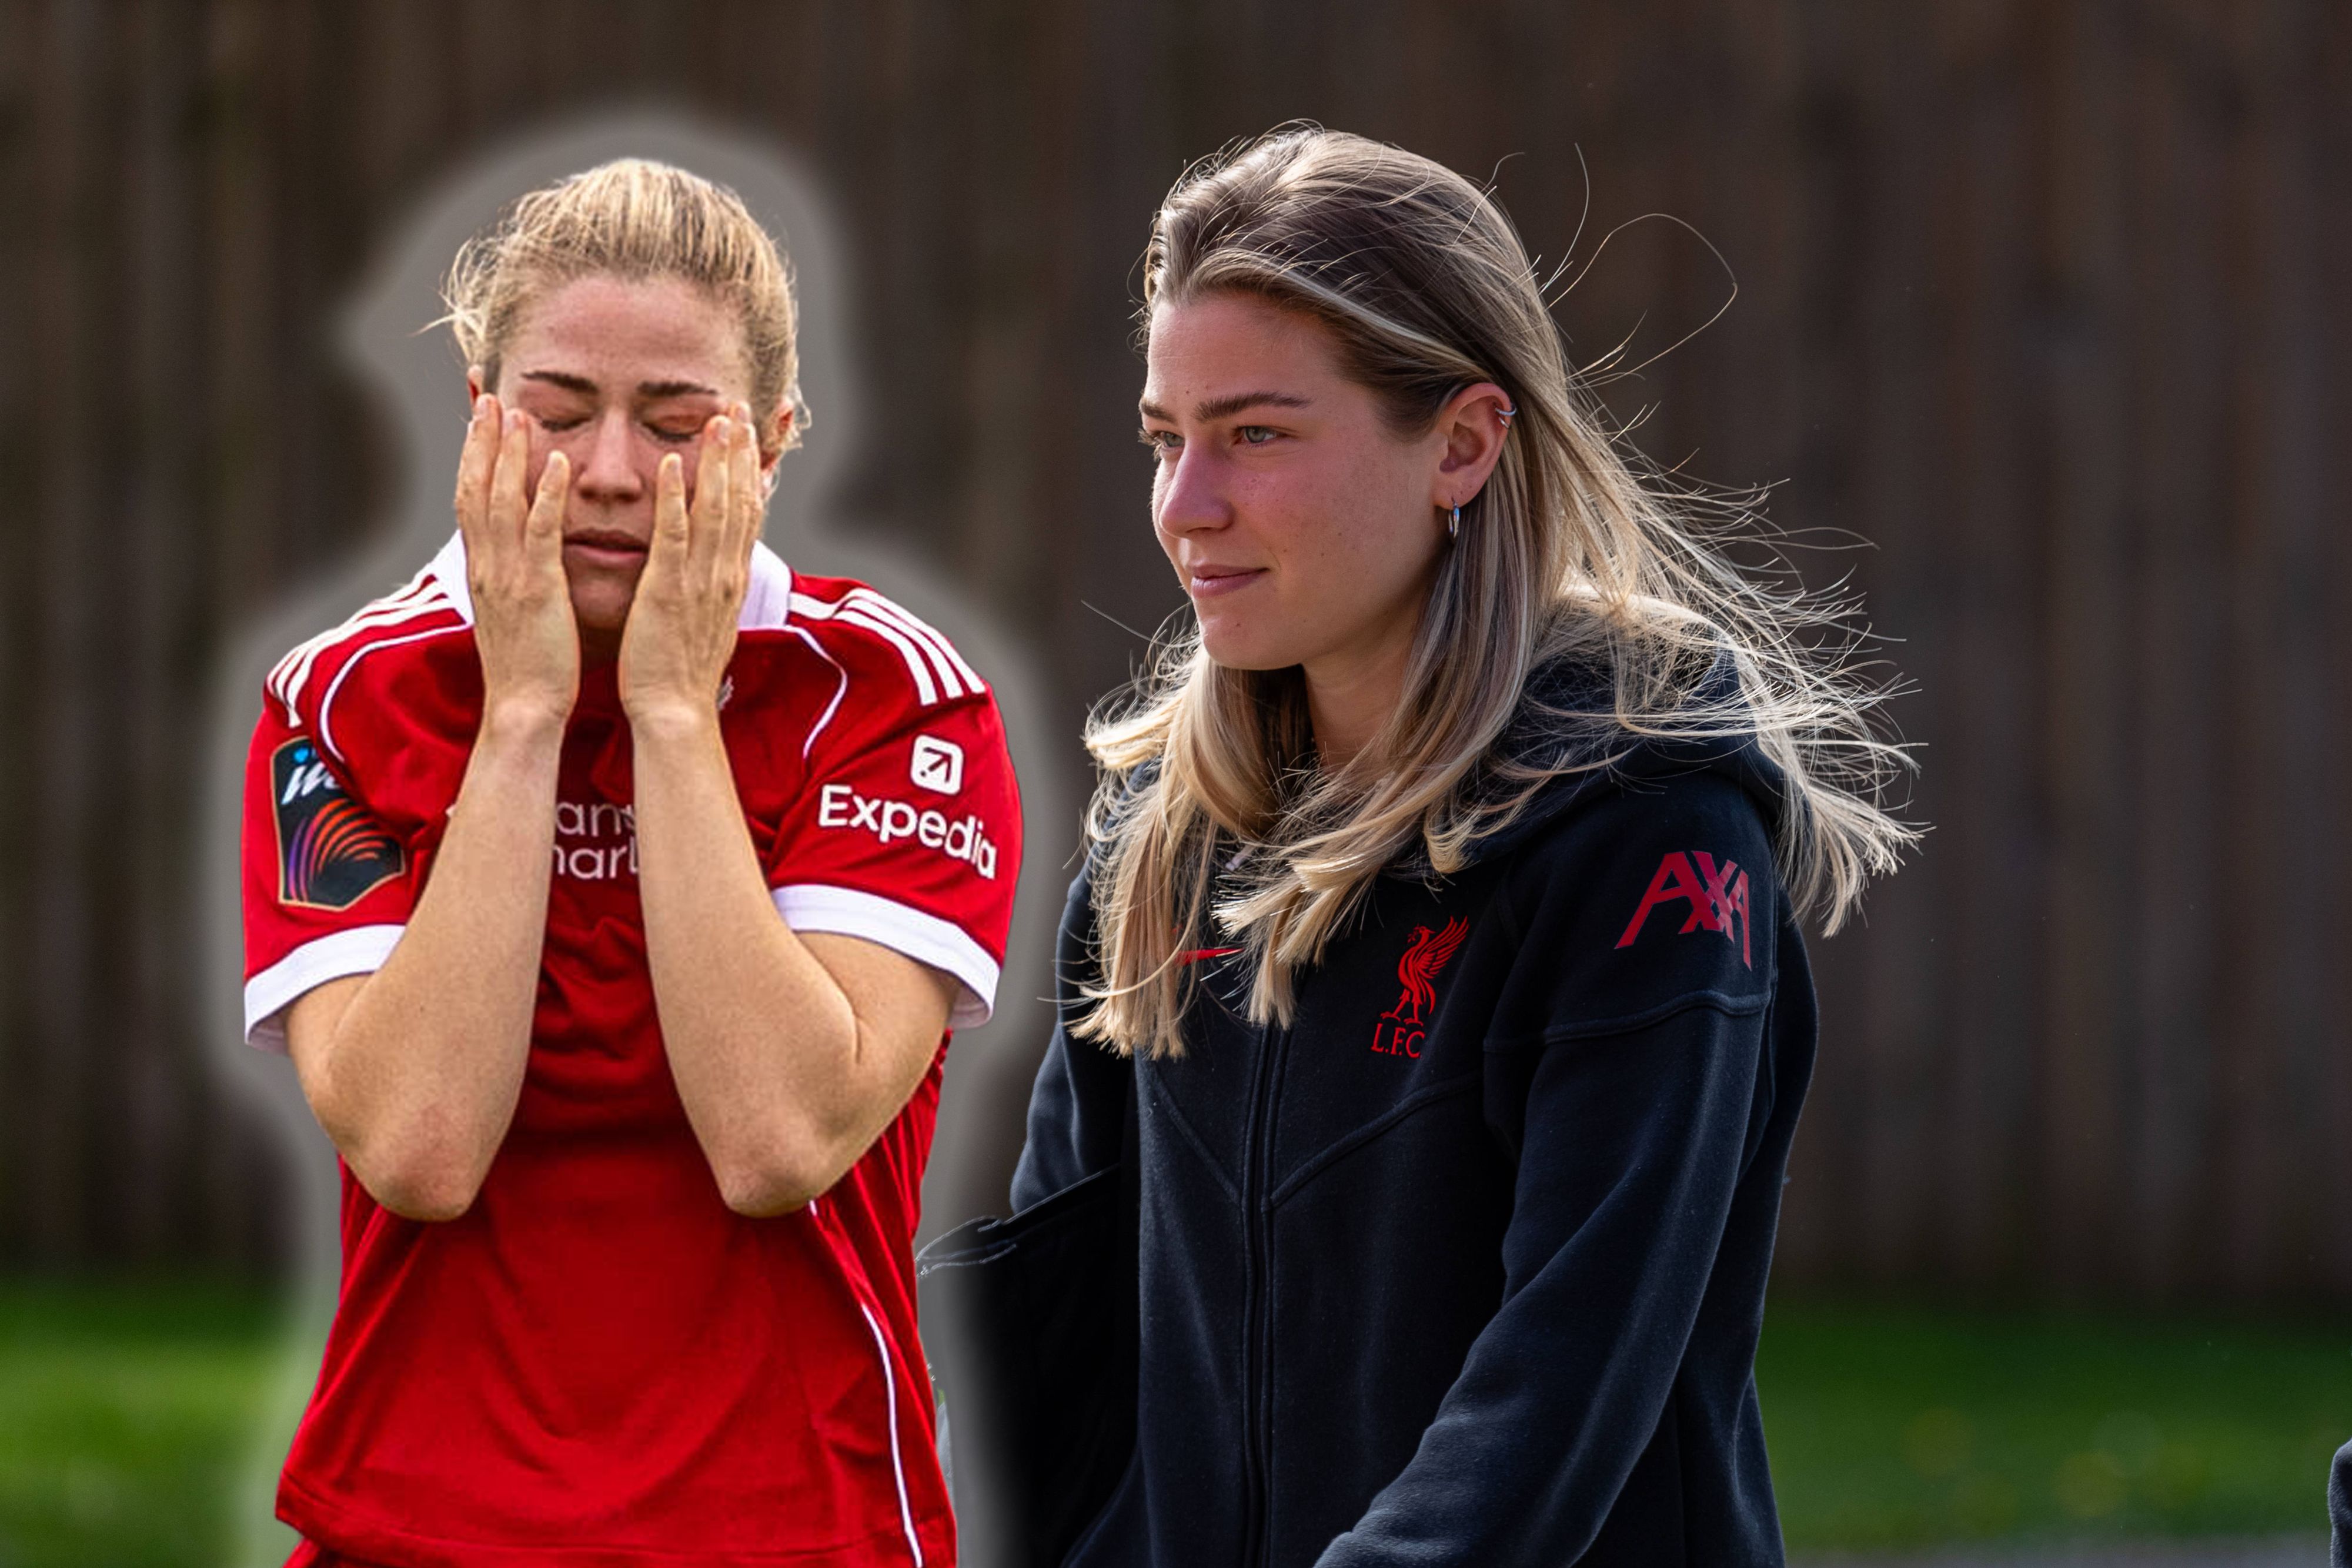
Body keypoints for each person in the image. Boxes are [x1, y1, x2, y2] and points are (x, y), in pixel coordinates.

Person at [1009, 127, 1913, 1566]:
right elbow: (1046, 1361)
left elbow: (1561, 1381)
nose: (1185, 507)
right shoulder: (1155, 840)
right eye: (1164, 439)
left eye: (1255, 434)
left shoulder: (1645, 829)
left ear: (1462, 443)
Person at [239, 158, 1020, 1566]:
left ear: (770, 445)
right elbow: (417, 1146)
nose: (606, 472)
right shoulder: (345, 699)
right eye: (555, 413)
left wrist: (668, 709)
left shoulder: (889, 696)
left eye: (674, 424)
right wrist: (523, 713)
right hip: (418, 1523)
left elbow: (777, 1139)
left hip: (796, 1524)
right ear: (478, 420)